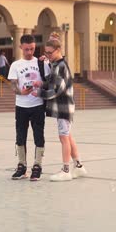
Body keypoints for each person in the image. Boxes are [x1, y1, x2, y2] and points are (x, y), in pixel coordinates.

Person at [32, 38, 87, 182]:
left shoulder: (60, 66)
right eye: (46, 52)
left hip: (63, 106)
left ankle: (66, 170)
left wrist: (39, 93)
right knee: (67, 136)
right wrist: (41, 82)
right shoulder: (56, 64)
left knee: (63, 137)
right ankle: (79, 166)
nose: (48, 55)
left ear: (58, 50)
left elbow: (56, 90)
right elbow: (50, 80)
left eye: (50, 53)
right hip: (64, 106)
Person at [8, 35, 45, 181]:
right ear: (21, 47)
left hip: (37, 105)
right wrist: (20, 91)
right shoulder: (16, 65)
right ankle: (21, 166)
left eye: (32, 49)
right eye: (27, 49)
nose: (30, 52)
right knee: (20, 136)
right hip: (21, 106)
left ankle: (37, 166)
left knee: (38, 135)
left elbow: (48, 81)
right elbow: (13, 84)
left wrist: (39, 84)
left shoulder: (42, 63)